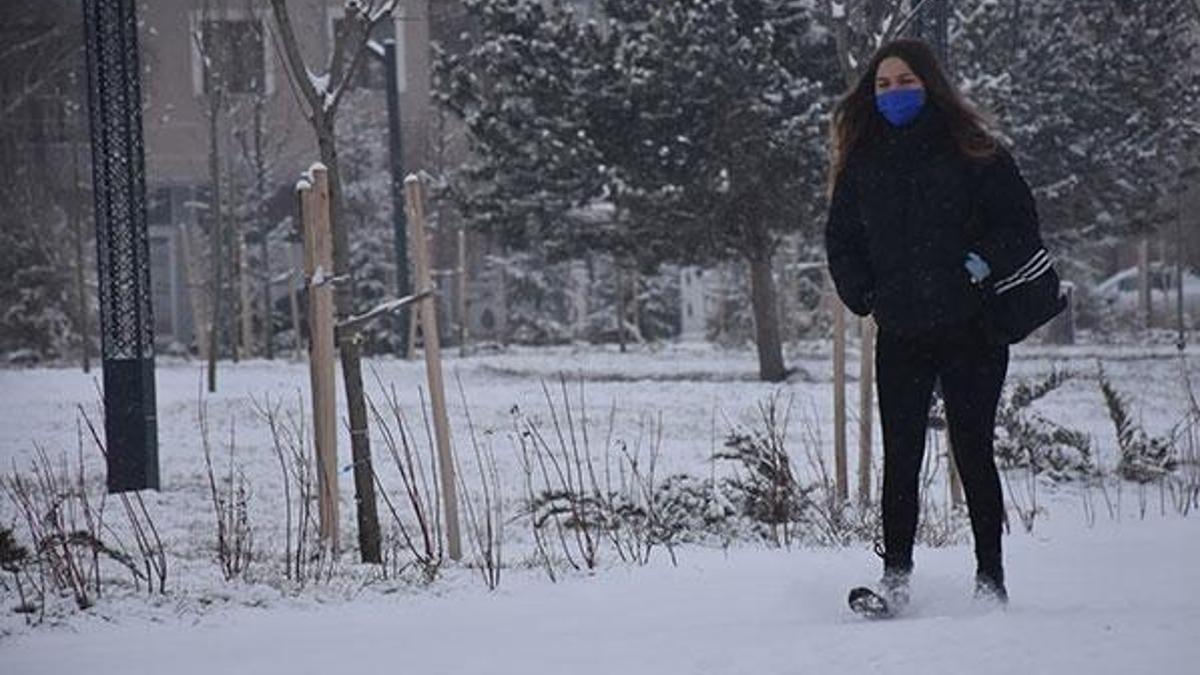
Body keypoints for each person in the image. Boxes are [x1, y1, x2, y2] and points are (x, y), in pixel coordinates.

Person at [824, 38, 1045, 607]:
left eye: (905, 82)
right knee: (901, 456)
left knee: (973, 450)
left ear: (930, 84)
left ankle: (989, 581)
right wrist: (863, 293)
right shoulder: (864, 160)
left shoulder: (975, 150)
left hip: (971, 328)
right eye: (883, 85)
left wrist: (981, 262)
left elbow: (1019, 222)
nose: (893, 93)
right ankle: (895, 580)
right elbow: (841, 239)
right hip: (901, 330)